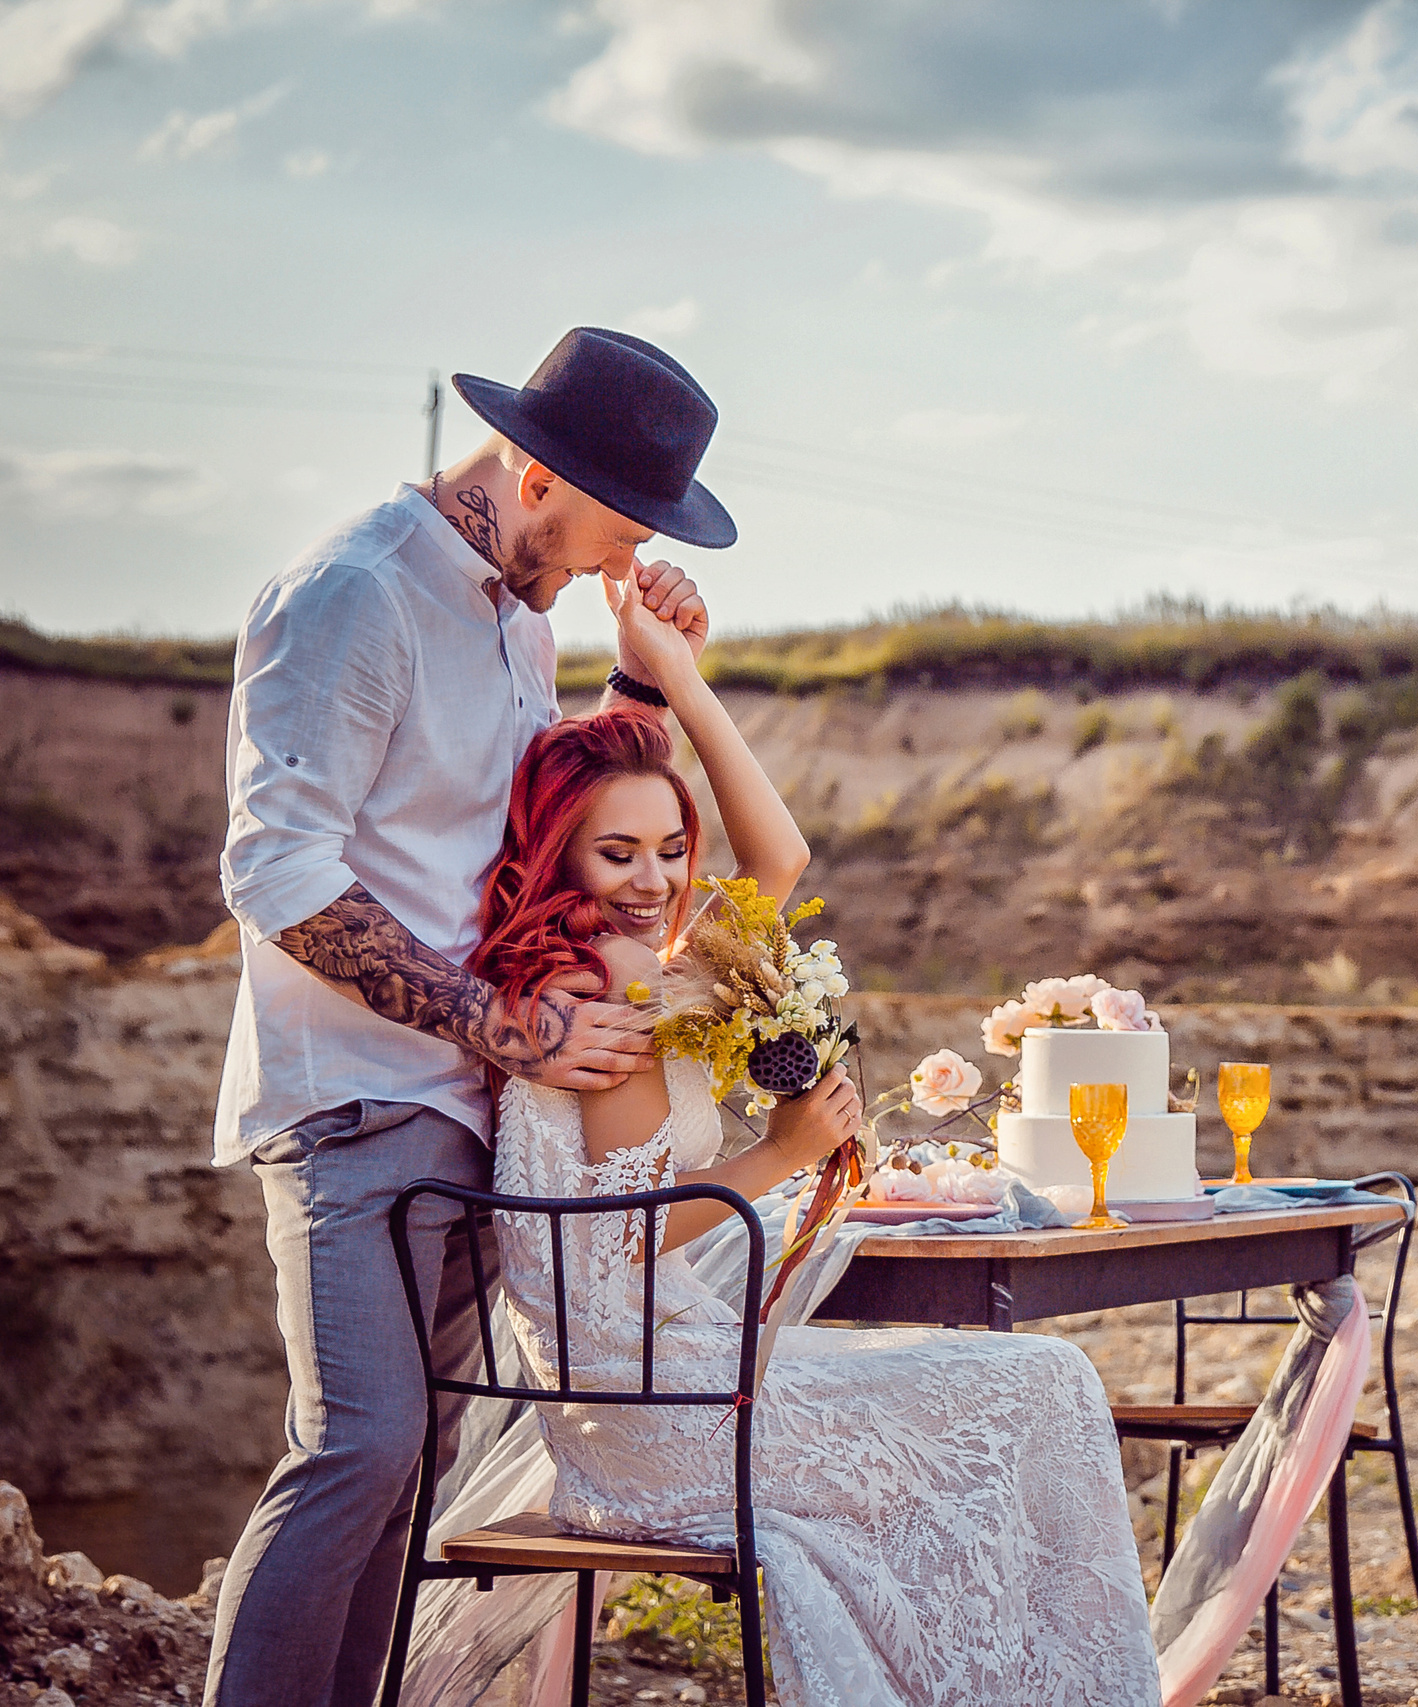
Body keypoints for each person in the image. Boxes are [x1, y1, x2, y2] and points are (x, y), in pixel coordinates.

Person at [472, 589, 1160, 1707]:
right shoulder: (607, 981)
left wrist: (676, 676)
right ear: (559, 856)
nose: (653, 882)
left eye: (668, 848)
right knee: (1039, 1381)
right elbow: (616, 1244)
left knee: (1024, 1388)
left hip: (642, 1402)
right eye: (616, 854)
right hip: (662, 1420)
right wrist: (786, 1151)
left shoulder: (622, 960)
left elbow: (778, 858)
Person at [207, 328, 738, 1707]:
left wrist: (638, 666)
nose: (619, 554)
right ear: (534, 470)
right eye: (619, 526)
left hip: (468, 1107)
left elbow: (550, 826)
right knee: (357, 1448)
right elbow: (276, 872)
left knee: (412, 1467)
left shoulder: (520, 613)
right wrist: (510, 1027)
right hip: (355, 1100)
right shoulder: (353, 593)